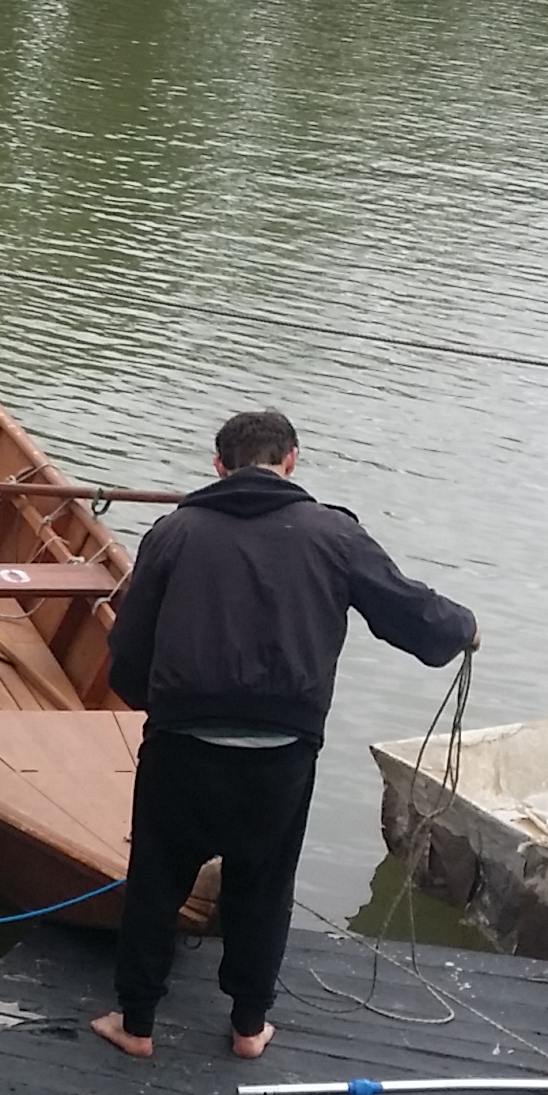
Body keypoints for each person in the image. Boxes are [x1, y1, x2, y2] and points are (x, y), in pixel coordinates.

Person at [91, 409, 477, 1061]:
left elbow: (127, 652)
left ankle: (137, 1024)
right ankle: (248, 1027)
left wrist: (163, 708)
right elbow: (408, 609)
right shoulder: (335, 534)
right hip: (282, 752)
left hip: (182, 745)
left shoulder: (173, 532)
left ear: (219, 466)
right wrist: (463, 628)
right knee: (263, 886)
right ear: (291, 460)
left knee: (157, 880)